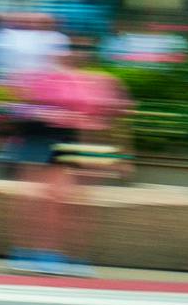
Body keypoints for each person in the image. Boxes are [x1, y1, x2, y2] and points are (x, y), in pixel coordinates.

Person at [11, 33, 130, 272]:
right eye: (72, 47)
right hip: (47, 141)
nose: (77, 53)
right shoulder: (43, 79)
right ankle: (38, 251)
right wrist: (48, 115)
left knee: (79, 201)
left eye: (83, 48)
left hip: (86, 143)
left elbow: (117, 118)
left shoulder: (102, 82)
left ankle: (75, 254)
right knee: (50, 199)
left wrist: (123, 155)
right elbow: (20, 108)